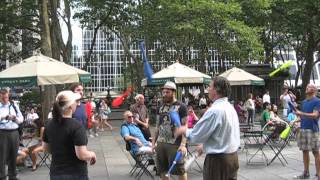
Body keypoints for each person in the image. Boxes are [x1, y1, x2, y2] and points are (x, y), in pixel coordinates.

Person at [175, 76, 240, 180]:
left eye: (209, 86)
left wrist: (183, 130)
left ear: (216, 90)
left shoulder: (214, 110)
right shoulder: (230, 108)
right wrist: (205, 146)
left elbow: (197, 135)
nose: (207, 89)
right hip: (233, 158)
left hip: (218, 162)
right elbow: (222, 135)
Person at [42, 90, 96, 180]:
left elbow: (46, 149)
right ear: (71, 106)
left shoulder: (49, 124)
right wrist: (92, 154)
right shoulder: (76, 126)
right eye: (75, 101)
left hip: (56, 173)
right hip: (76, 173)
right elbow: (81, 155)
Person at [152, 81, 188, 180]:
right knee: (162, 171)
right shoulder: (160, 107)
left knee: (180, 171)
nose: (164, 94)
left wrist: (183, 144)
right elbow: (157, 126)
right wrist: (153, 143)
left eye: (167, 92)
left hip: (175, 144)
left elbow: (185, 126)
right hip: (161, 143)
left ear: (173, 92)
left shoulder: (181, 107)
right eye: (163, 92)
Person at [294, 84, 320, 179]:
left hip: (312, 130)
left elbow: (315, 115)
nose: (306, 88)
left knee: (315, 152)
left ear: (314, 90)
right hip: (303, 129)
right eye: (307, 87)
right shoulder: (304, 102)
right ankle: (306, 173)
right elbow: (304, 116)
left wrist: (301, 113)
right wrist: (298, 119)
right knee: (304, 151)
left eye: (309, 87)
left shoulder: (317, 101)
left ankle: (318, 175)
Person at [0, 89, 24, 180]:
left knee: (13, 154)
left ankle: (12, 175)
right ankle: (1, 176)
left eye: (6, 97)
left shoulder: (14, 105)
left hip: (14, 132)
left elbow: (21, 118)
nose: (5, 100)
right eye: (2, 98)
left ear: (8, 96)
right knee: (2, 156)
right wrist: (4, 117)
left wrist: (15, 119)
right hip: (2, 133)